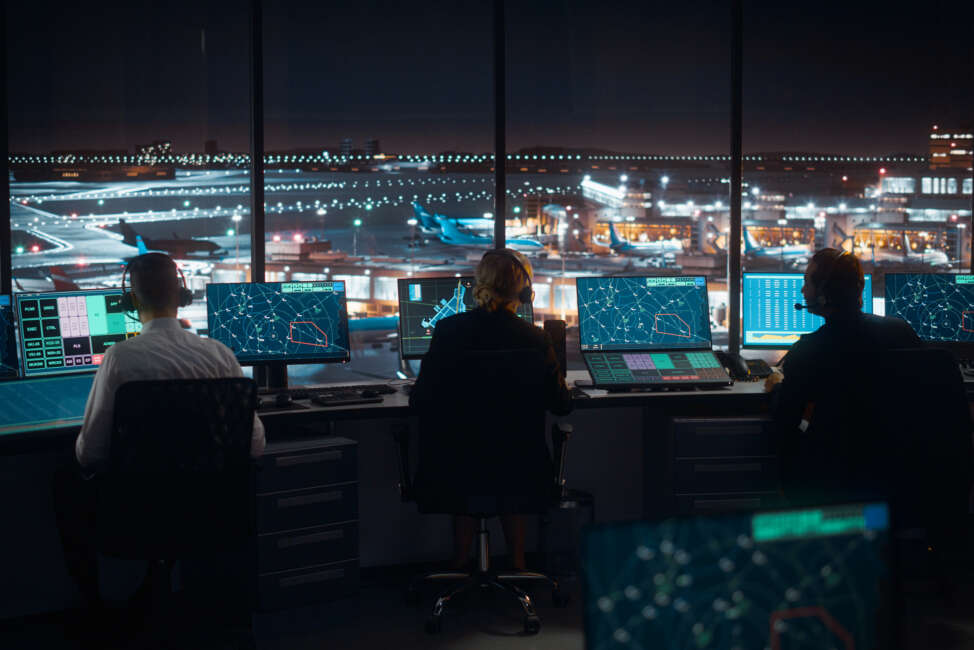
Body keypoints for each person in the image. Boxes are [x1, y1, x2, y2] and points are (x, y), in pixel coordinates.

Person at [56, 252, 265, 610]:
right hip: (212, 511)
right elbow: (255, 445)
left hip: (139, 514)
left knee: (61, 482)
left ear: (131, 300)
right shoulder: (220, 355)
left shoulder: (120, 358)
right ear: (182, 297)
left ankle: (95, 610)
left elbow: (90, 453)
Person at [409, 249, 572, 571]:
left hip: (455, 467)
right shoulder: (535, 339)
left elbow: (420, 400)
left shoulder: (448, 332)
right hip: (519, 468)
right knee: (510, 472)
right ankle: (518, 565)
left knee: (469, 472)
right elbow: (561, 406)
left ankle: (458, 565)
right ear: (525, 292)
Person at [765, 248, 921, 502]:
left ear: (824, 295)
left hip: (833, 480)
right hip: (898, 476)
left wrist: (779, 385)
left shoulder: (810, 350)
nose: (803, 291)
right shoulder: (900, 332)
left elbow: (785, 421)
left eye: (806, 283)